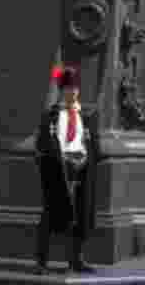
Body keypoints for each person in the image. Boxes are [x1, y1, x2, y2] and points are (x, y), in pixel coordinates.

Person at [35, 65, 98, 275]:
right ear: (62, 91)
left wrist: (85, 158)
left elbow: (91, 143)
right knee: (51, 214)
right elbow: (43, 143)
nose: (72, 92)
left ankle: (76, 259)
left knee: (80, 214)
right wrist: (58, 158)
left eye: (75, 88)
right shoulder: (51, 115)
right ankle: (42, 261)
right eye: (68, 88)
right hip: (58, 168)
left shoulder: (86, 116)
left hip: (80, 168)